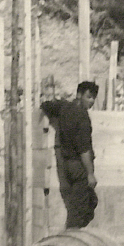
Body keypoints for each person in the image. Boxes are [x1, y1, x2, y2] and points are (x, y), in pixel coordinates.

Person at [41, 81, 99, 229]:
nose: (91, 101)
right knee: (79, 211)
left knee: (84, 203)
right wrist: (90, 174)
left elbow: (47, 106)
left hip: (66, 166)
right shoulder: (83, 118)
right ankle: (70, 239)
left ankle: (74, 234)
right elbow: (84, 150)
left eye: (93, 98)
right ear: (79, 95)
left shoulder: (65, 107)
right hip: (79, 167)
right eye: (88, 97)